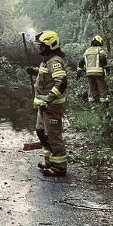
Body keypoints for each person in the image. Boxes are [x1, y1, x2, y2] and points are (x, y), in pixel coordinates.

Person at [26, 30, 68, 176]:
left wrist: (49, 99)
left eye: (42, 45)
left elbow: (61, 82)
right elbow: (46, 76)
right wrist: (35, 71)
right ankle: (49, 160)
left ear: (50, 45)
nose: (39, 48)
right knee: (41, 132)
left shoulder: (55, 61)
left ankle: (59, 166)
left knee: (53, 135)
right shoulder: (46, 60)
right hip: (43, 106)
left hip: (52, 106)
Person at [80, 34, 110, 103]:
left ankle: (92, 102)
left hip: (89, 73)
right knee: (101, 87)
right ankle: (103, 102)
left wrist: (79, 70)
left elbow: (81, 61)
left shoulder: (87, 51)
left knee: (91, 88)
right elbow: (102, 59)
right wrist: (106, 67)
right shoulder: (100, 50)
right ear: (100, 42)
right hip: (98, 72)